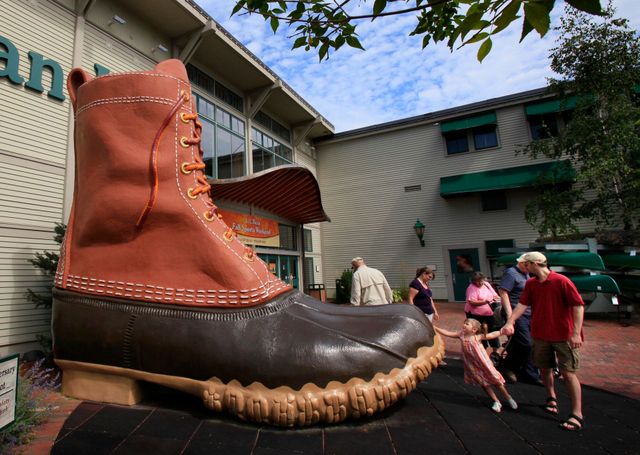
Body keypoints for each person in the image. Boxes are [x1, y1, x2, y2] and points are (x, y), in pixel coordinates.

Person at [501, 252, 585, 432]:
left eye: (526, 264)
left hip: (563, 335)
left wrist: (576, 333)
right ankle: (551, 397)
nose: (524, 267)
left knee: (568, 372)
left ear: (533, 264)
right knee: (544, 368)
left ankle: (577, 413)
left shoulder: (561, 281)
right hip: (540, 334)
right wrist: (510, 321)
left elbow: (578, 306)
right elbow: (522, 305)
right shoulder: (531, 283)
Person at [435, 319, 518, 413]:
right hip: (472, 363)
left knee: (496, 380)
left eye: (467, 324)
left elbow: (491, 335)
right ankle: (496, 401)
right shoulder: (461, 335)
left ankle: (508, 397)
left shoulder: (477, 337)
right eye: (464, 323)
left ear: (474, 329)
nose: (464, 325)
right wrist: (436, 328)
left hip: (483, 362)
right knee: (483, 382)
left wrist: (502, 332)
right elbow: (447, 333)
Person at [498, 258, 541, 385]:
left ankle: (530, 373)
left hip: (529, 313)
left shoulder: (526, 274)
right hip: (516, 313)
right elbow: (503, 292)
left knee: (532, 343)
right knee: (525, 342)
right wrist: (510, 316)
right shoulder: (511, 273)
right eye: (529, 265)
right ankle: (509, 366)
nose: (530, 269)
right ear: (523, 263)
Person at [464, 272, 501, 361]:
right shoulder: (471, 288)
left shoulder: (487, 284)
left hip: (490, 312)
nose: (480, 283)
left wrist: (497, 298)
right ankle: (481, 352)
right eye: (478, 281)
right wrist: (485, 301)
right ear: (474, 281)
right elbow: (471, 302)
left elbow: (494, 295)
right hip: (476, 314)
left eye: (482, 281)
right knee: (480, 332)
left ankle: (495, 351)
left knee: (492, 330)